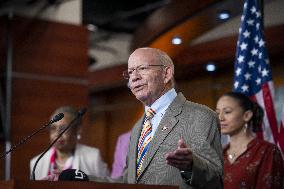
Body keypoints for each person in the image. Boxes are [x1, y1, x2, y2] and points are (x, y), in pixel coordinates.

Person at [122, 47, 223, 189]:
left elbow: (216, 181)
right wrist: (85, 178)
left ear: (166, 73)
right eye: (130, 72)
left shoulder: (200, 116)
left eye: (142, 68)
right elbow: (128, 181)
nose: (134, 77)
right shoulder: (138, 127)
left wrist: (191, 166)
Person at [215, 92, 284, 189]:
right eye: (217, 113)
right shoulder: (217, 154)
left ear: (247, 115)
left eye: (227, 112)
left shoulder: (267, 151)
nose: (220, 118)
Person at [30, 106, 109, 180]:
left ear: (77, 130)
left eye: (63, 128)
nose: (57, 134)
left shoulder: (93, 157)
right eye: (53, 128)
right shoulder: (36, 163)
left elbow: (107, 185)